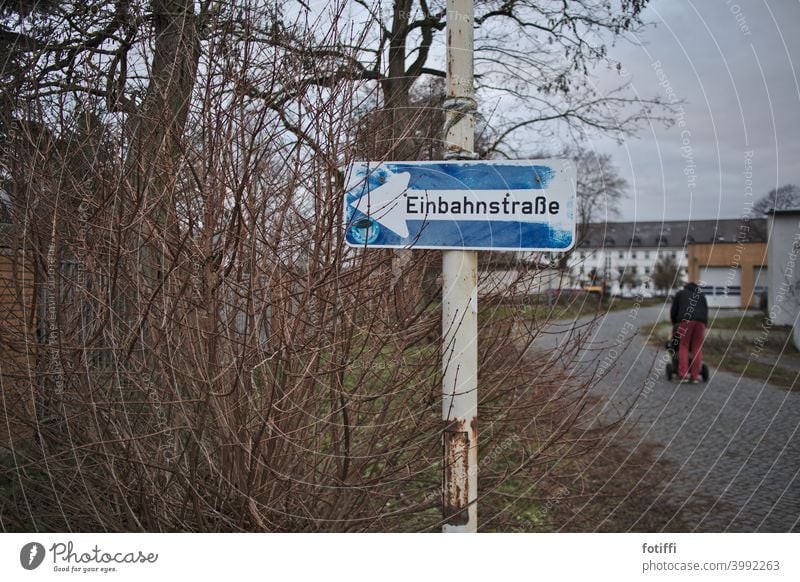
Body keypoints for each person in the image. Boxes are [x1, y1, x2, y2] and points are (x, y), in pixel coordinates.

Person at [670, 281, 709, 383]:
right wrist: (705, 323)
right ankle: (695, 376)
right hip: (701, 322)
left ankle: (684, 375)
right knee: (697, 348)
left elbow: (674, 310)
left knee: (683, 346)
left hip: (686, 321)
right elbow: (705, 310)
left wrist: (675, 323)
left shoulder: (680, 294)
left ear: (685, 287)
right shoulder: (701, 295)